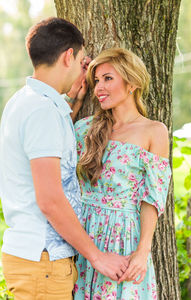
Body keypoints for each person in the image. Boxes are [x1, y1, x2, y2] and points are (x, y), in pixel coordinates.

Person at [0, 19, 129, 300]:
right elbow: (50, 199)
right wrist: (96, 256)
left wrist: (72, 101)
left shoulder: (24, 102)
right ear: (69, 56)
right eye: (82, 58)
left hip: (34, 260)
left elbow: (48, 144)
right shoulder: (42, 112)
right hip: (43, 263)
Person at [68, 48, 172, 299]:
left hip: (124, 238)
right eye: (96, 80)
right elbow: (50, 148)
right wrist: (76, 100)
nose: (99, 88)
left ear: (132, 83)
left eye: (108, 78)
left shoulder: (153, 131)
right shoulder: (84, 128)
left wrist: (143, 250)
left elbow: (153, 196)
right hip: (85, 237)